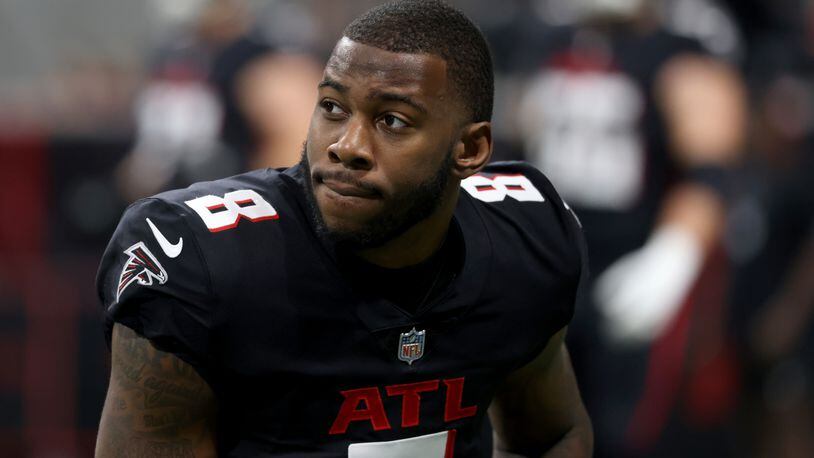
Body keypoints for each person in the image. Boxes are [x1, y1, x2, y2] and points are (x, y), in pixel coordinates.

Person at [94, 1, 592, 456]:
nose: (345, 145)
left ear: (469, 151)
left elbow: (550, 436)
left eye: (393, 120)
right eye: (333, 107)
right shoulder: (196, 257)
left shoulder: (523, 237)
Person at [514, 0, 746, 455]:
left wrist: (674, 253)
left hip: (629, 265)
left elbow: (711, 172)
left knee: (623, 432)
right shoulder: (544, 39)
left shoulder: (680, 48)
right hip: (546, 267)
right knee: (533, 428)